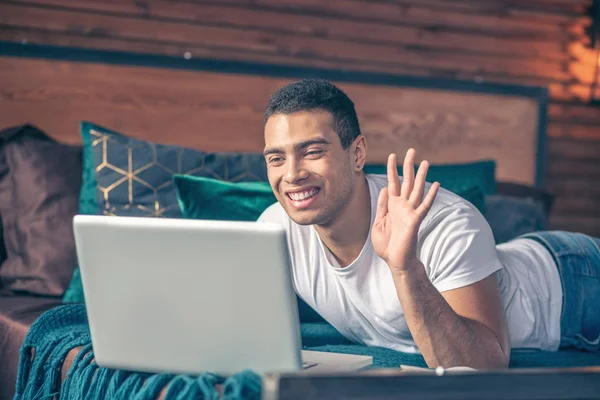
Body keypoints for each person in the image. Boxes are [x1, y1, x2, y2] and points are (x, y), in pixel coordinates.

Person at [257, 79, 600, 370]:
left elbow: (483, 367)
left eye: (313, 151)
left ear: (357, 153)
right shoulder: (274, 230)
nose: (292, 174)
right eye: (276, 158)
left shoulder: (444, 222)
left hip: (573, 281)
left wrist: (406, 270)